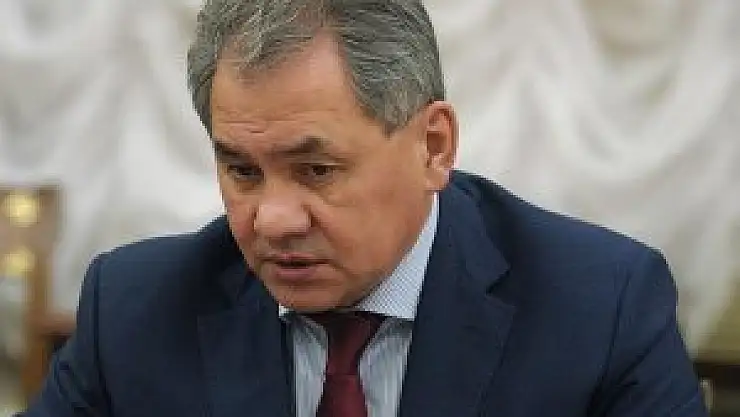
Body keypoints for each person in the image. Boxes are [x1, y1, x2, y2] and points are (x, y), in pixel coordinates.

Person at [22, 1, 707, 416]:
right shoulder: (136, 311)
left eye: (316, 170)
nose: (272, 219)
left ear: (433, 146)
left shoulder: (599, 309)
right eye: (242, 170)